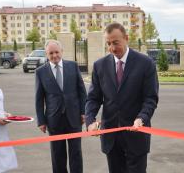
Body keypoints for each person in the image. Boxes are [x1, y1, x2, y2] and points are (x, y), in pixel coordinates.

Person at [85, 23, 159, 173]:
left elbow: (150, 98)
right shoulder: (100, 66)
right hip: (111, 137)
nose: (112, 47)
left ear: (126, 38)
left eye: (115, 42)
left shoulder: (145, 64)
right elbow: (93, 98)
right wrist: (90, 120)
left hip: (136, 134)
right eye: (108, 43)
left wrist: (142, 118)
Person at [35, 40, 87, 173]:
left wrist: (83, 112)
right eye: (51, 53)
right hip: (54, 119)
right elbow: (39, 99)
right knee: (57, 154)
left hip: (74, 117)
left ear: (61, 52)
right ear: (46, 54)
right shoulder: (40, 72)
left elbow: (82, 91)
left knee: (76, 152)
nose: (54, 55)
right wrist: (41, 121)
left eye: (57, 52)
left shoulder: (73, 66)